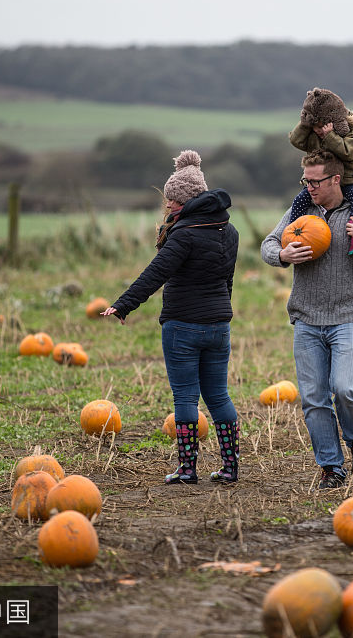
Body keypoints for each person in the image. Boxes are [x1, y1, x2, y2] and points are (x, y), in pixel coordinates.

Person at [261, 149, 353, 489]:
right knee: (313, 397)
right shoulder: (301, 213)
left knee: (345, 387)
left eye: (315, 181)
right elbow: (268, 244)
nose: (309, 187)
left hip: (349, 316)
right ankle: (331, 467)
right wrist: (282, 254)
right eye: (305, 181)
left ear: (336, 179)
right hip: (307, 318)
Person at [102, 150, 240, 485]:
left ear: (186, 200)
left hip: (183, 327)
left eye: (171, 200)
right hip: (219, 326)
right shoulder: (229, 231)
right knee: (219, 396)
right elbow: (228, 280)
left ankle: (187, 469)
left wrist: (123, 305)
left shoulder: (184, 234)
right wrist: (219, 311)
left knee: (185, 398)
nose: (167, 206)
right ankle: (231, 467)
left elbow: (155, 274)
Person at [288, 87, 353, 257]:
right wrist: (304, 125)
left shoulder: (350, 134)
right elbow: (296, 140)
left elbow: (349, 152)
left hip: (348, 181)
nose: (318, 130)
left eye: (321, 126)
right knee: (299, 200)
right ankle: (292, 237)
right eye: (314, 126)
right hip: (319, 182)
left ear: (334, 121)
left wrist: (330, 136)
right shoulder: (312, 136)